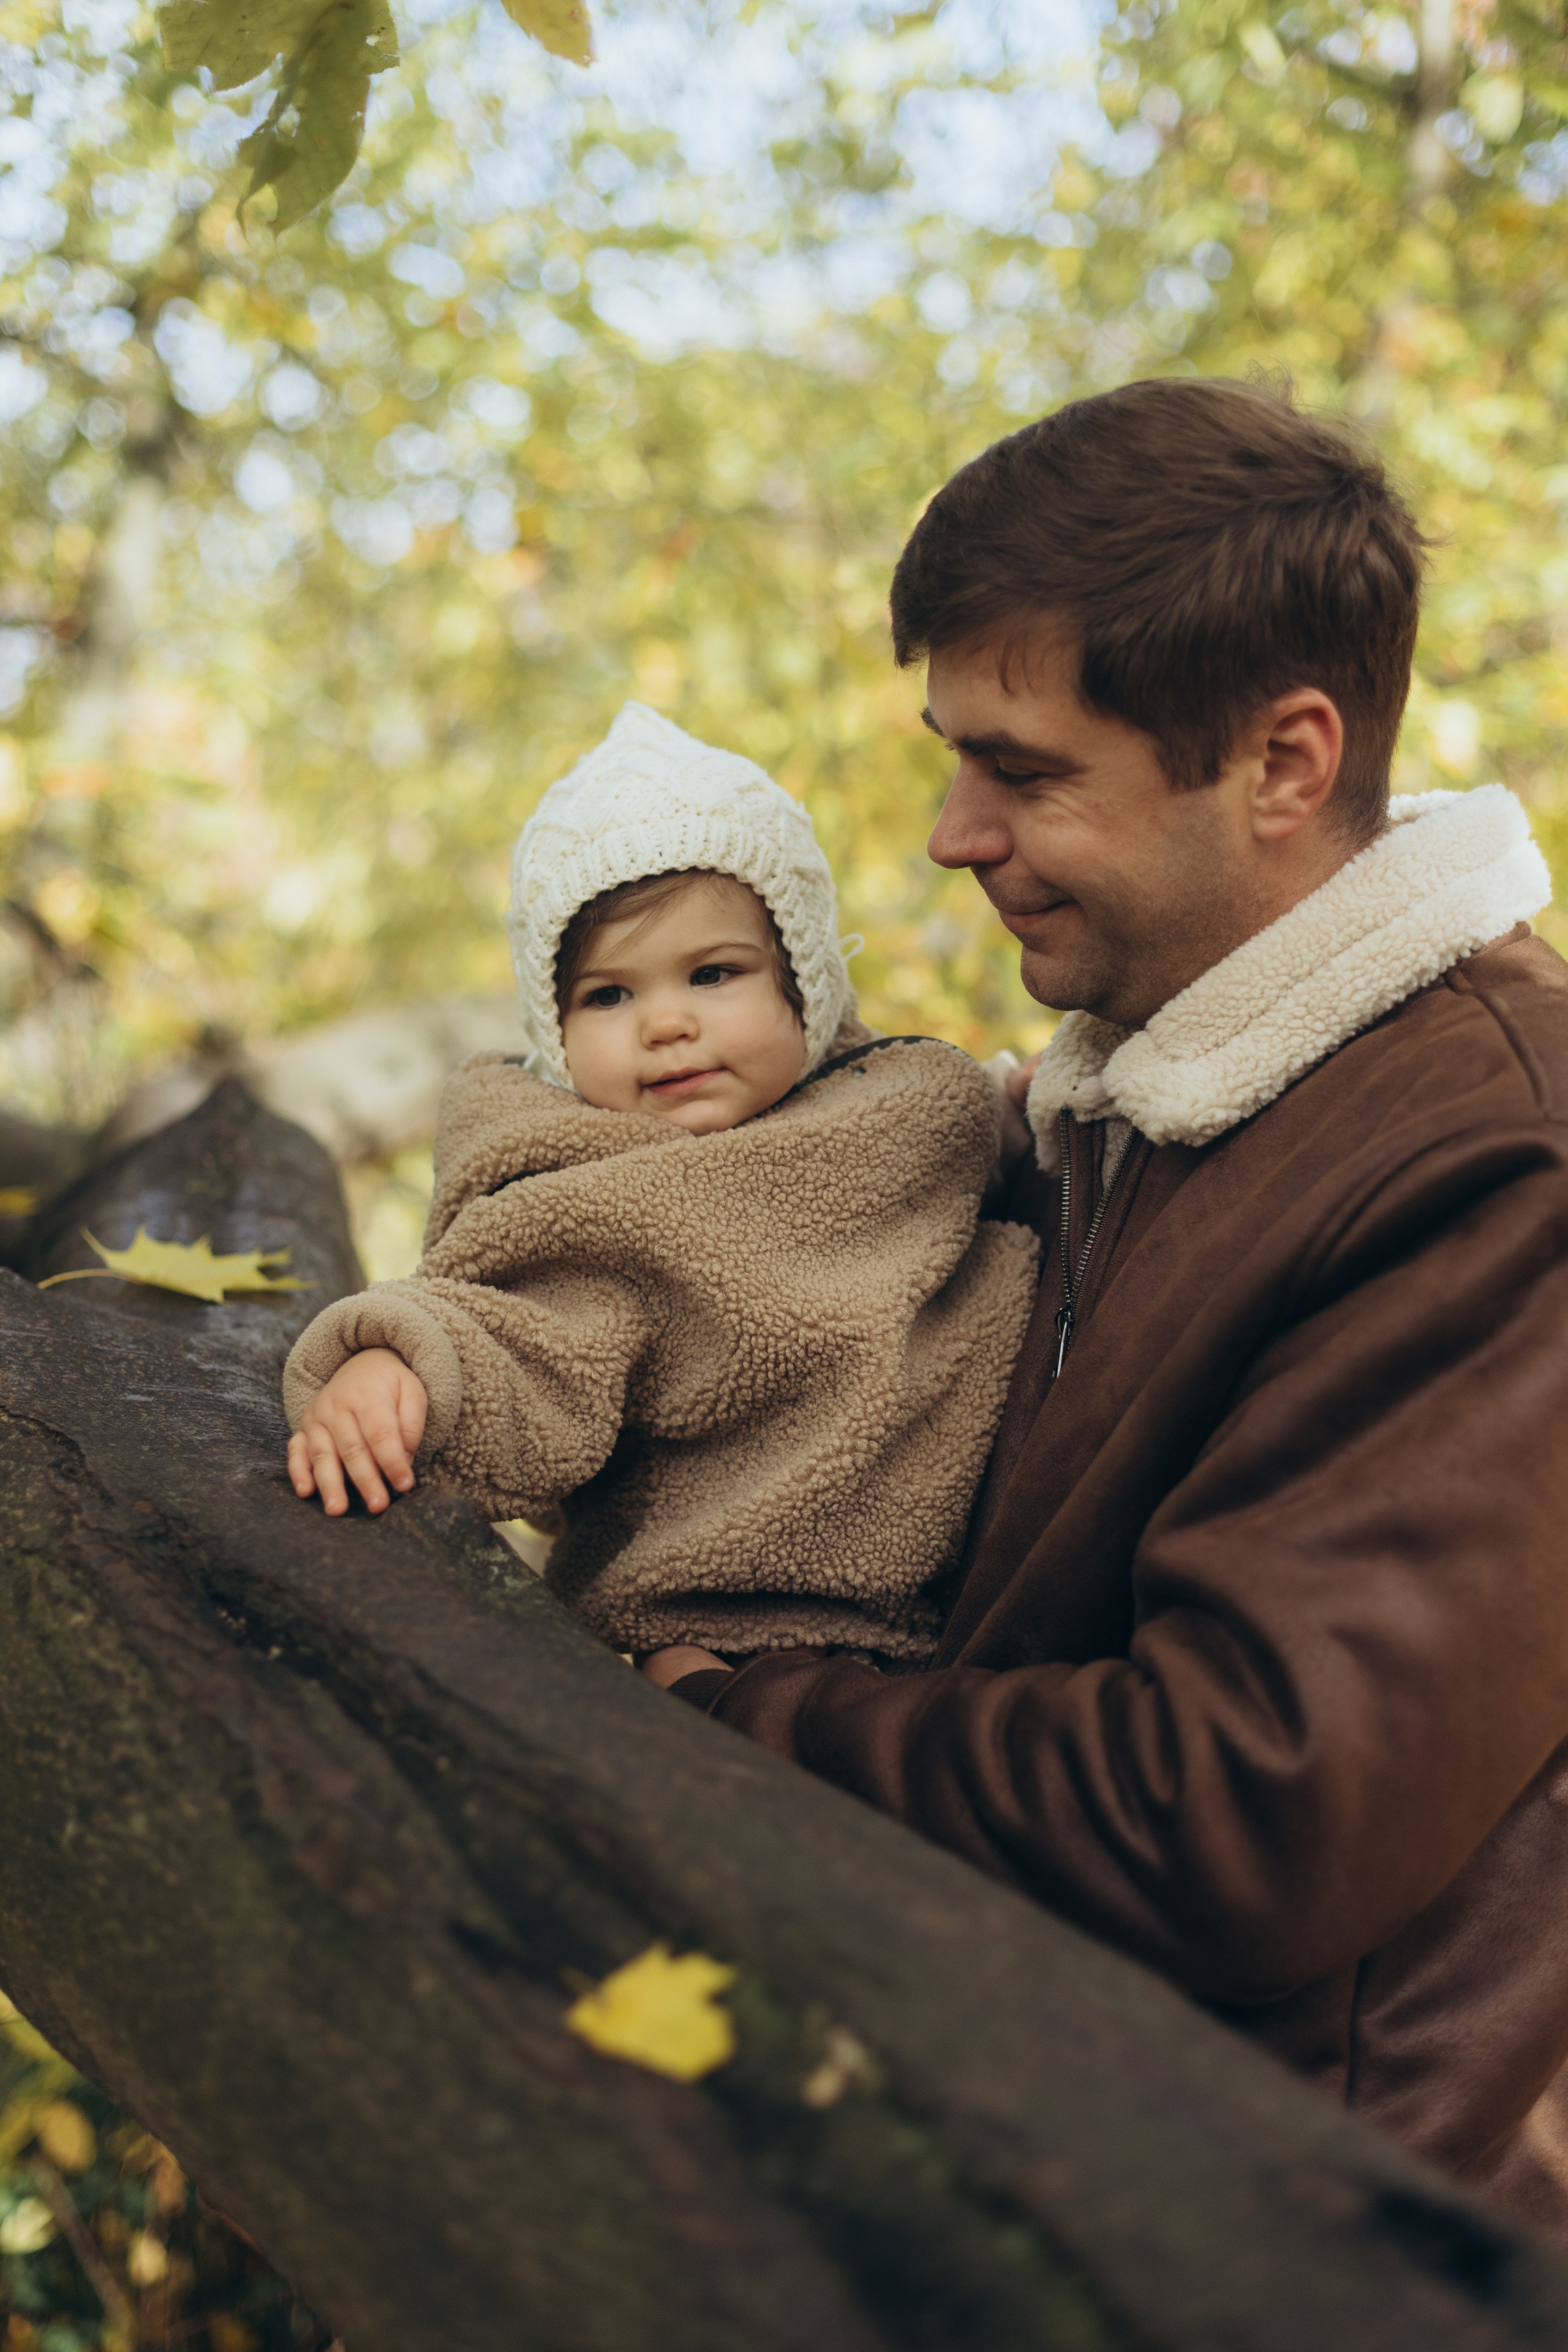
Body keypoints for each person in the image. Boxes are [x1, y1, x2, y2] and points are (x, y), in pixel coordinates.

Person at [643, 376, 1568, 2234]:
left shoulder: (1499, 1167)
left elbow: (1245, 1814)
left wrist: (744, 1718)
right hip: (1000, 2145)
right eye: (952, 752)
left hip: (1251, 2246)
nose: (950, 833)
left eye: (1029, 771)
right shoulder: (1128, 1096)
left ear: (1286, 766)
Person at [282, 700, 1038, 1663]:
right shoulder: (597, 1200)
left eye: (713, 975)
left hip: (956, 1620)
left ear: (801, 980)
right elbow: (521, 1342)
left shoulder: (912, 1114)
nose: (666, 1024)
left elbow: (996, 1167)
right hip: (703, 1627)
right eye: (609, 995)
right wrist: (401, 1366)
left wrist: (1023, 1112)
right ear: (554, 1034)